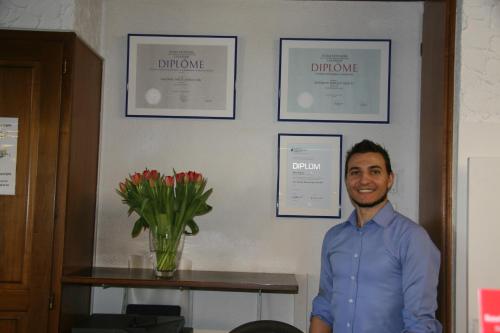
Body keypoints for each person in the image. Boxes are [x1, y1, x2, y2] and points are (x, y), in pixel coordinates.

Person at [310, 139, 441, 333]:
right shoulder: (333, 238)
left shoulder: (413, 238)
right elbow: (324, 306)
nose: (364, 180)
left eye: (375, 171)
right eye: (355, 172)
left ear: (390, 179)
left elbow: (419, 322)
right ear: (346, 180)